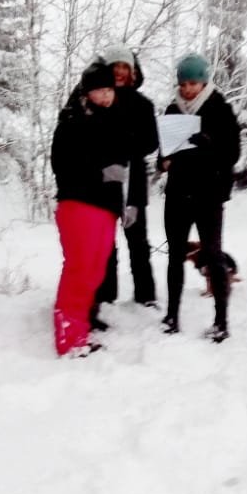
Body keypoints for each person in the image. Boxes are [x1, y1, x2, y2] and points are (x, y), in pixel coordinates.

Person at [158, 52, 241, 342]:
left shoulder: (220, 108)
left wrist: (209, 144)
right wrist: (163, 162)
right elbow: (162, 154)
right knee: (175, 255)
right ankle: (172, 316)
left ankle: (221, 321)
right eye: (183, 83)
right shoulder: (172, 109)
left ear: (204, 82)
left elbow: (233, 154)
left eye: (193, 83)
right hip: (178, 193)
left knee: (214, 256)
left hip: (209, 194)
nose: (188, 89)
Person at [50, 63, 132, 357]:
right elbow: (62, 165)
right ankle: (68, 338)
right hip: (79, 204)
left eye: (110, 90)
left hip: (106, 208)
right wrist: (101, 173)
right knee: (80, 269)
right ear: (87, 92)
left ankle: (80, 331)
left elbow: (122, 166)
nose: (107, 96)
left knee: (95, 272)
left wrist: (123, 205)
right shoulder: (73, 120)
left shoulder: (112, 120)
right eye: (100, 90)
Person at [80, 44, 159, 325]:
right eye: (116, 67)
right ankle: (106, 294)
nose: (121, 72)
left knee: (138, 241)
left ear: (133, 72)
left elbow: (151, 142)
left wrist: (127, 142)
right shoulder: (95, 99)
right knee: (104, 243)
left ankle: (146, 295)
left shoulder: (143, 105)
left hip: (133, 181)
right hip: (102, 183)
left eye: (126, 67)